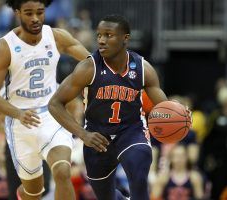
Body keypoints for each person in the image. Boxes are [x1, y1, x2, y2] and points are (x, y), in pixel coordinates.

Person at [48, 14, 186, 200]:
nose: (102, 41)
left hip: (131, 131)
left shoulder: (143, 69)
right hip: (97, 136)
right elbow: (55, 104)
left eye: (108, 35)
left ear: (125, 38)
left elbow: (163, 108)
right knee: (106, 196)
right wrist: (83, 134)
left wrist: (180, 116)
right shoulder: (88, 68)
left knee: (138, 176)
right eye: (99, 35)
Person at [0, 0, 90, 199]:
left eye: (40, 12)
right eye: (29, 13)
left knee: (62, 172)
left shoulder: (56, 36)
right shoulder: (5, 47)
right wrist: (19, 113)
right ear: (17, 13)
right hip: (20, 122)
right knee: (33, 193)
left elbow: (90, 62)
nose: (35, 18)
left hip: (52, 114)